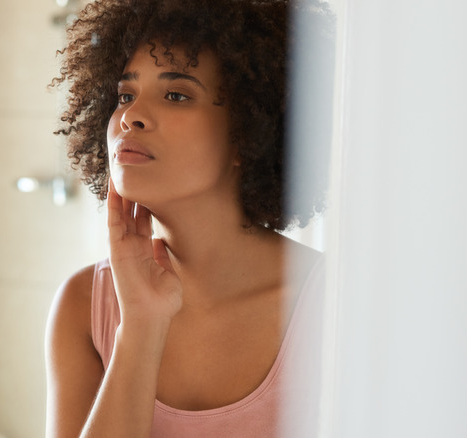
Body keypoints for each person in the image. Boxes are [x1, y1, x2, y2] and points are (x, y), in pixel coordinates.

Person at [45, 0, 330, 436]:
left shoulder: (335, 305)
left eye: (176, 94)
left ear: (249, 132)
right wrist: (140, 324)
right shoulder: (83, 306)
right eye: (125, 94)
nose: (129, 117)